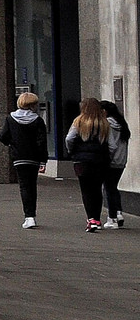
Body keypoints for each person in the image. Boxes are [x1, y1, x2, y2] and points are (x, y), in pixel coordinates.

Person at [65, 98, 119, 231]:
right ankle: (97, 218)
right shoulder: (104, 124)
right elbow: (112, 145)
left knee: (86, 190)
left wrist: (72, 151)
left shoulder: (78, 122)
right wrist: (108, 157)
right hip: (100, 161)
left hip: (81, 161)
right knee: (97, 189)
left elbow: (69, 139)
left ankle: (91, 219)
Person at [0, 93, 49, 228]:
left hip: (19, 157)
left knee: (24, 186)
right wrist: (43, 161)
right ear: (33, 105)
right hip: (33, 158)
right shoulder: (38, 121)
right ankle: (32, 214)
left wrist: (13, 144)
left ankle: (29, 217)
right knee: (32, 186)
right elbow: (42, 142)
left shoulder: (11, 118)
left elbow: (2, 136)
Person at [105, 95, 129, 228]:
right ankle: (118, 212)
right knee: (113, 187)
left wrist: (107, 158)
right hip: (121, 160)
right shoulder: (122, 124)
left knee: (108, 188)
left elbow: (111, 145)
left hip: (110, 161)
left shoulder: (107, 124)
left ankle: (112, 217)